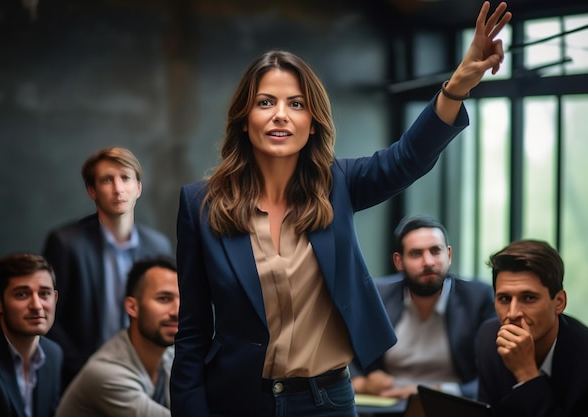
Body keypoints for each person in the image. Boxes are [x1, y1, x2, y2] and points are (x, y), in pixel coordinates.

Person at [170, 2, 512, 416]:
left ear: (312, 122)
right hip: (239, 401)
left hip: (327, 401)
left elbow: (407, 158)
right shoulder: (200, 205)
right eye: (265, 103)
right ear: (245, 119)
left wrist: (457, 85)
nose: (281, 115)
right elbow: (191, 335)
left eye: (296, 104)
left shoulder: (339, 185)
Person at [42, 147, 173, 388]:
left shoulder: (158, 245)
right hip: (83, 374)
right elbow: (50, 318)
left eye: (125, 178)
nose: (118, 188)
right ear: (92, 191)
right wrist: (85, 371)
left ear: (139, 188)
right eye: (106, 180)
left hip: (143, 375)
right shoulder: (66, 243)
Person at [350, 215, 495, 400]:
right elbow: (349, 351)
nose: (428, 262)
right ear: (399, 262)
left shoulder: (477, 298)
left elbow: (491, 376)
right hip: (390, 405)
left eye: (435, 251)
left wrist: (432, 393)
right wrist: (362, 381)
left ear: (448, 255)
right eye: (416, 254)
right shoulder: (378, 296)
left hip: (453, 405)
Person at [475, 239, 588, 416]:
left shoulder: (583, 355)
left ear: (559, 302)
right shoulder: (489, 337)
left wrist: (526, 373)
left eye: (528, 298)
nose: (512, 313)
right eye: (504, 299)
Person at [55, 256, 178, 417]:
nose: (177, 311)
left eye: (185, 299)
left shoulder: (173, 355)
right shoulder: (107, 373)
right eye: (164, 299)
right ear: (132, 307)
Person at [0, 253, 62, 417]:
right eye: (22, 294)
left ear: (55, 298)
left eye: (44, 294)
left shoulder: (54, 354)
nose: (37, 306)